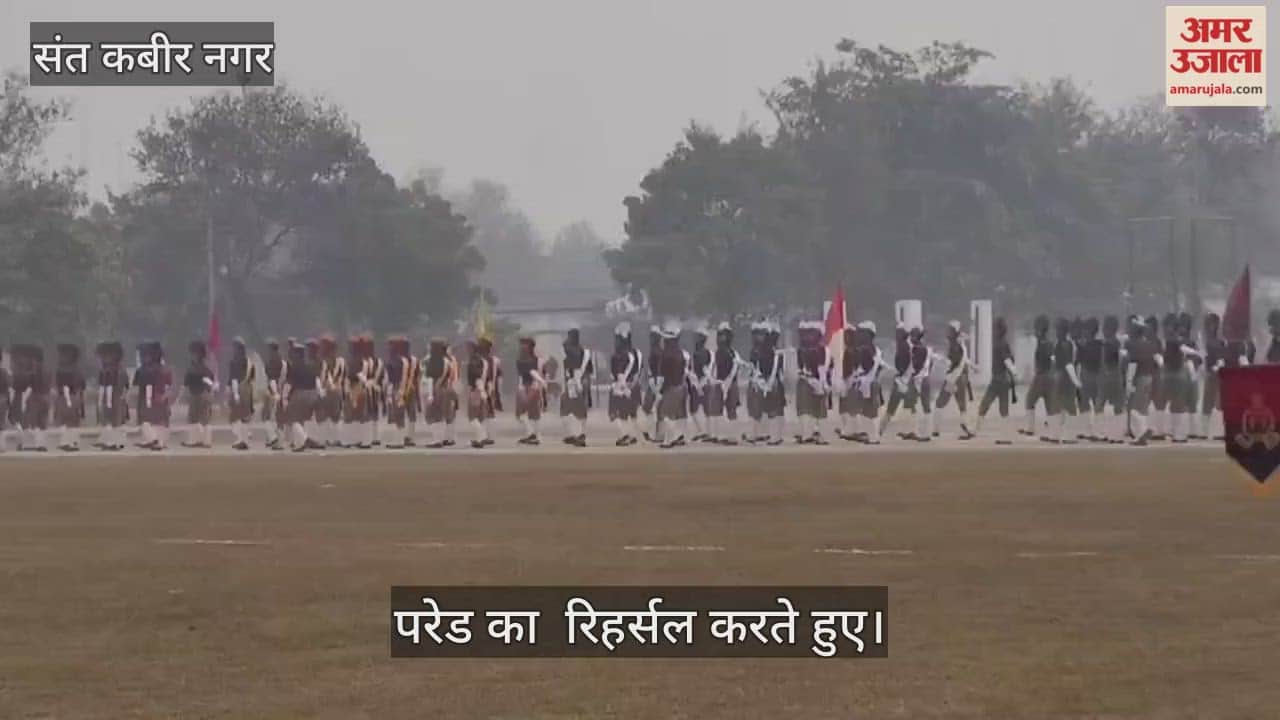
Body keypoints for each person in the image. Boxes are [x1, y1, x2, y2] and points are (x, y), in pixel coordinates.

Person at [973, 316, 1017, 445]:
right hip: (1004, 379)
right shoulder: (1003, 342)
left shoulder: (1000, 343)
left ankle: (975, 431)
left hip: (998, 379)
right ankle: (1005, 436)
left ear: (999, 330)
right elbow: (1010, 358)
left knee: (985, 404)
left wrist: (1014, 372)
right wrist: (1013, 374)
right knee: (1003, 409)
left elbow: (1007, 360)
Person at [934, 320, 975, 440]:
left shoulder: (954, 346)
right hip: (961, 379)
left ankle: (936, 430)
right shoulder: (961, 344)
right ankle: (966, 426)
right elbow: (964, 360)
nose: (947, 332)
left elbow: (952, 362)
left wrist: (939, 359)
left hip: (953, 379)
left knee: (939, 404)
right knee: (962, 406)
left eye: (950, 330)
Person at [795, 320, 832, 445]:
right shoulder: (802, 349)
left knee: (818, 410)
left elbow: (824, 368)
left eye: (811, 333)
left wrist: (822, 383)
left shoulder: (822, 349)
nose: (807, 336)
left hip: (817, 381)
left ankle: (820, 435)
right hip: (807, 379)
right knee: (807, 409)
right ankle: (807, 434)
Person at [706, 322, 742, 445]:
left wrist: (726, 385)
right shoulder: (720, 352)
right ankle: (721, 435)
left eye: (724, 335)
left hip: (729, 385)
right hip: (721, 384)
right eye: (720, 335)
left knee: (731, 410)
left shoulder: (732, 353)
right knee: (717, 410)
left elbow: (734, 370)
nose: (721, 338)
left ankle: (733, 437)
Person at [607, 322, 643, 446]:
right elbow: (639, 371)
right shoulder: (637, 353)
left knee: (616, 413)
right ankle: (633, 435)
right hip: (635, 385)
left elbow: (618, 375)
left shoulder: (617, 356)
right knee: (632, 413)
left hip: (621, 387)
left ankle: (624, 435)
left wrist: (623, 388)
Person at [1125, 319, 1160, 445]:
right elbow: (1159, 362)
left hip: (1139, 378)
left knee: (1134, 410)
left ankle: (1144, 430)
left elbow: (1132, 365)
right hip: (1149, 378)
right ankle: (1140, 437)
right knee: (1142, 409)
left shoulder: (1134, 345)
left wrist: (1129, 383)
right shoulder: (1150, 344)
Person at [851, 321, 885, 445]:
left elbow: (864, 366)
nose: (858, 336)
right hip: (872, 382)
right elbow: (881, 366)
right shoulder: (877, 350)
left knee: (869, 412)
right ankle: (873, 435)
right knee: (870, 411)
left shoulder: (864, 350)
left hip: (867, 383)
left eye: (861, 333)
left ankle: (874, 437)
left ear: (869, 335)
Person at [880, 325, 916, 439]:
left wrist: (898, 373)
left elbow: (902, 365)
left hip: (901, 381)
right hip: (906, 380)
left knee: (891, 407)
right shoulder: (906, 346)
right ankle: (913, 430)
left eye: (897, 333)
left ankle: (880, 430)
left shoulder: (903, 347)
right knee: (910, 407)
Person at [1049, 317, 1081, 444]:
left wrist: (1075, 380)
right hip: (1063, 376)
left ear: (1063, 330)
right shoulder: (1065, 343)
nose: (1057, 331)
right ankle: (1064, 435)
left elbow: (1068, 364)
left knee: (1065, 407)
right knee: (1064, 407)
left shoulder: (1064, 344)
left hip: (1064, 377)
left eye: (1058, 329)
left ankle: (1061, 435)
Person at [282, 342, 319, 452]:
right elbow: (316, 381)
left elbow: (289, 384)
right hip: (312, 393)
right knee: (301, 420)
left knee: (293, 418)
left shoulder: (294, 367)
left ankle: (305, 439)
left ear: (296, 354)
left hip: (300, 393)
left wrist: (284, 398)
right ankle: (299, 444)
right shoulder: (310, 366)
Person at [1022, 314, 1054, 441]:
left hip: (1041, 376)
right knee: (1050, 404)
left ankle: (1030, 428)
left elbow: (1050, 358)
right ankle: (1053, 430)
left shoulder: (1044, 343)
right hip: (1050, 377)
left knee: (1030, 400)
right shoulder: (1047, 342)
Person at [423, 338, 459, 448]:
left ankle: (436, 440)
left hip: (435, 390)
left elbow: (430, 378)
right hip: (446, 389)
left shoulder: (433, 361)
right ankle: (443, 438)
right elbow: (453, 376)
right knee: (443, 415)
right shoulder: (448, 361)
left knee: (432, 415)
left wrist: (430, 394)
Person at [560, 328, 593, 447]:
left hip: (574, 382)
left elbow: (572, 370)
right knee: (579, 409)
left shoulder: (570, 352)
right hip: (584, 382)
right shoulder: (585, 352)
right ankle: (579, 433)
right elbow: (590, 371)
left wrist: (574, 382)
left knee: (570, 410)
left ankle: (577, 435)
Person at [1097, 316, 1127, 444]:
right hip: (1116, 376)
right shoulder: (1115, 342)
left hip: (1109, 376)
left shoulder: (1110, 343)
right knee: (1117, 406)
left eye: (1106, 328)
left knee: (1101, 404)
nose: (1104, 330)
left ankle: (1102, 432)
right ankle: (1116, 434)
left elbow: (1107, 360)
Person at [95, 341, 129, 451]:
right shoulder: (119, 370)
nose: (101, 359)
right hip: (114, 397)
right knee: (112, 421)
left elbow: (124, 386)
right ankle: (114, 441)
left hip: (114, 397)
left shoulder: (114, 371)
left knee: (113, 420)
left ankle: (112, 442)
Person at [182, 340, 216, 449]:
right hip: (206, 394)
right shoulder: (207, 368)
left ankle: (194, 440)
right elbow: (210, 381)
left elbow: (187, 382)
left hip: (196, 394)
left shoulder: (193, 368)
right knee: (205, 419)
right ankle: (206, 441)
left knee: (193, 418)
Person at [52, 343, 86, 451]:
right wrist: (80, 402)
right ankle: (74, 442)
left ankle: (66, 442)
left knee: (63, 421)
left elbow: (60, 387)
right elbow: (82, 387)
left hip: (65, 397)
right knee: (73, 421)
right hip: (76, 396)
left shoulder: (61, 370)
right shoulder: (79, 370)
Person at [514, 337, 548, 445]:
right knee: (533, 414)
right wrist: (542, 383)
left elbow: (533, 372)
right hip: (531, 387)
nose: (522, 347)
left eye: (524, 345)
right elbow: (525, 374)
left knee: (522, 413)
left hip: (530, 387)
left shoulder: (524, 360)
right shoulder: (525, 360)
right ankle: (534, 435)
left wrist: (541, 382)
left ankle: (532, 434)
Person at [1198, 312, 1224, 441]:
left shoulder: (1219, 341)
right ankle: (1204, 431)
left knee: (1218, 403)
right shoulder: (1204, 340)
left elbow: (1222, 357)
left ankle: (1219, 431)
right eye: (1208, 323)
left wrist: (1218, 366)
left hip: (1217, 373)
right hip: (1209, 373)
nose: (1210, 326)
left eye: (1212, 323)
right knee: (1207, 402)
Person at [464, 339, 493, 449]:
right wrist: (486, 392)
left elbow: (477, 377)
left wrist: (480, 391)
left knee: (472, 417)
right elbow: (489, 379)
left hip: (476, 390)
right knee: (480, 417)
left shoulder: (474, 361)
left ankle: (481, 438)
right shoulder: (484, 361)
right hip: (483, 390)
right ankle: (479, 438)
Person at [383, 336, 411, 449]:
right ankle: (397, 439)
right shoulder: (391, 359)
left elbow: (404, 377)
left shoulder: (402, 361)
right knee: (394, 415)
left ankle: (399, 440)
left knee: (399, 414)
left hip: (399, 387)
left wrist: (401, 391)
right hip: (392, 387)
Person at [227, 338, 255, 450]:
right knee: (245, 416)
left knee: (235, 417)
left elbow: (234, 379)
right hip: (248, 389)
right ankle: (244, 438)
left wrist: (235, 393)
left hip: (238, 388)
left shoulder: (234, 361)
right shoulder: (249, 362)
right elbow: (252, 378)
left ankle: (242, 439)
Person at [687, 325, 713, 442]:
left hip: (699, 384)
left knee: (693, 410)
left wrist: (698, 386)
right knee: (707, 410)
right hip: (705, 383)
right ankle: (707, 432)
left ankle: (702, 431)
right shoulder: (709, 353)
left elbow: (703, 369)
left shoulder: (697, 354)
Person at [318, 336, 344, 448]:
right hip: (338, 391)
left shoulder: (324, 362)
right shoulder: (341, 361)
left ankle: (328, 439)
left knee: (326, 417)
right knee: (336, 417)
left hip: (327, 391)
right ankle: (337, 439)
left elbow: (323, 377)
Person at [263, 339, 287, 450]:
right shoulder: (282, 361)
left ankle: (272, 437)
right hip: (283, 390)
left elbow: (272, 379)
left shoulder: (271, 362)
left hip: (273, 391)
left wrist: (275, 393)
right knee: (279, 418)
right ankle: (279, 441)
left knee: (266, 416)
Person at [641, 327, 662, 443]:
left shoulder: (656, 352)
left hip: (655, 383)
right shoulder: (656, 351)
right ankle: (651, 432)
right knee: (650, 409)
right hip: (655, 382)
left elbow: (657, 371)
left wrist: (656, 388)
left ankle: (651, 432)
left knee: (651, 409)